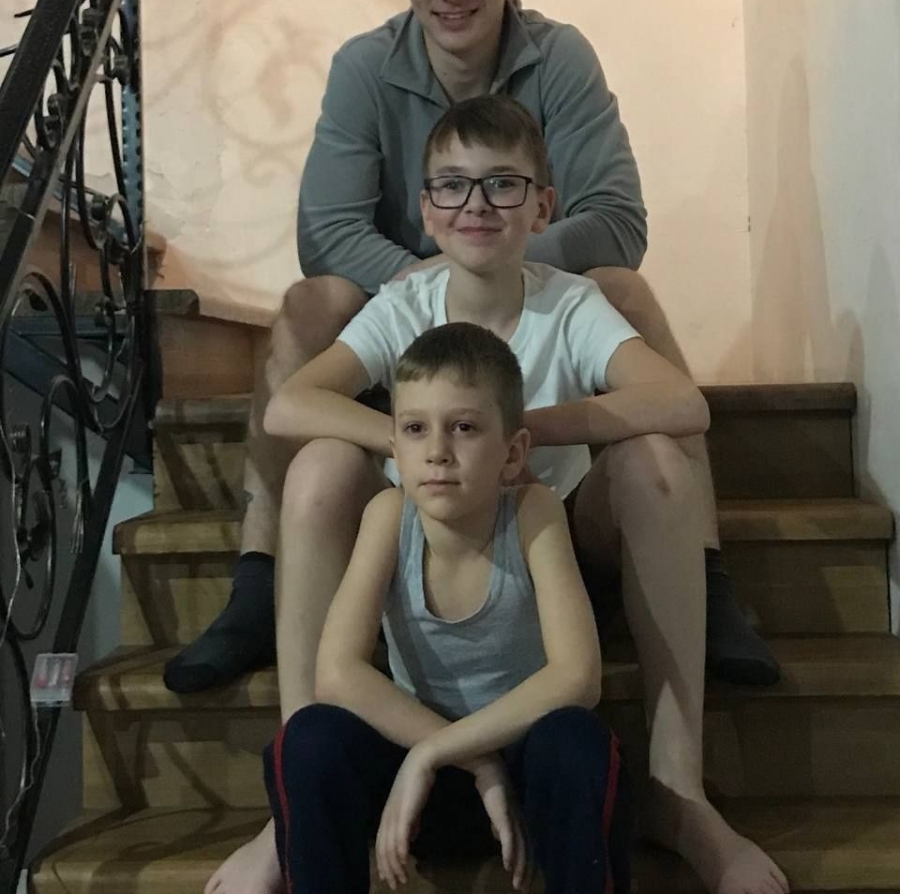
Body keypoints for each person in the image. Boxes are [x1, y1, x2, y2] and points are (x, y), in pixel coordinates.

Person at [165, 0, 777, 701]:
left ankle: (703, 575)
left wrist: (497, 254)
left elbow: (616, 221)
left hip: (512, 288)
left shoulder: (560, 56)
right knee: (312, 302)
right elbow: (327, 234)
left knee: (622, 290)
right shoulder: (364, 66)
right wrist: (434, 276)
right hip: (408, 319)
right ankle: (261, 576)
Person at [206, 97, 789, 894]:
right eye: (452, 185)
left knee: (657, 461)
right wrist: (415, 443)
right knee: (318, 468)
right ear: (426, 209)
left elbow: (683, 403)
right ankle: (292, 808)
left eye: (502, 185)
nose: (476, 205)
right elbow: (288, 406)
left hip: (551, 539)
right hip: (429, 537)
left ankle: (677, 788)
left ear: (542, 207)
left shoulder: (567, 302)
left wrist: (517, 436)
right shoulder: (405, 306)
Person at [262, 321, 632, 894]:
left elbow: (578, 677)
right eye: (415, 429)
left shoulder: (532, 513)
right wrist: (468, 762)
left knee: (577, 744)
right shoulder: (388, 517)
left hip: (521, 787)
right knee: (308, 740)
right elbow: (336, 673)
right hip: (418, 788)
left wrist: (440, 751)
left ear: (513, 452)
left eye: (463, 427)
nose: (436, 451)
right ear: (395, 448)